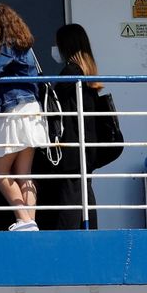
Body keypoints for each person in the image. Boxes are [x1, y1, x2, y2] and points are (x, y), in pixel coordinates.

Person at [0, 4, 48, 231]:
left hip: (15, 111)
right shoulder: (23, 45)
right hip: (31, 110)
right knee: (24, 174)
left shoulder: (8, 45)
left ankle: (24, 219)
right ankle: (31, 224)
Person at [42, 24, 104, 231]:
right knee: (85, 195)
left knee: (70, 200)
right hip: (87, 148)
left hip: (73, 149)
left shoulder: (71, 72)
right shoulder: (87, 73)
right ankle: (90, 236)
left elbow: (54, 100)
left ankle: (66, 240)